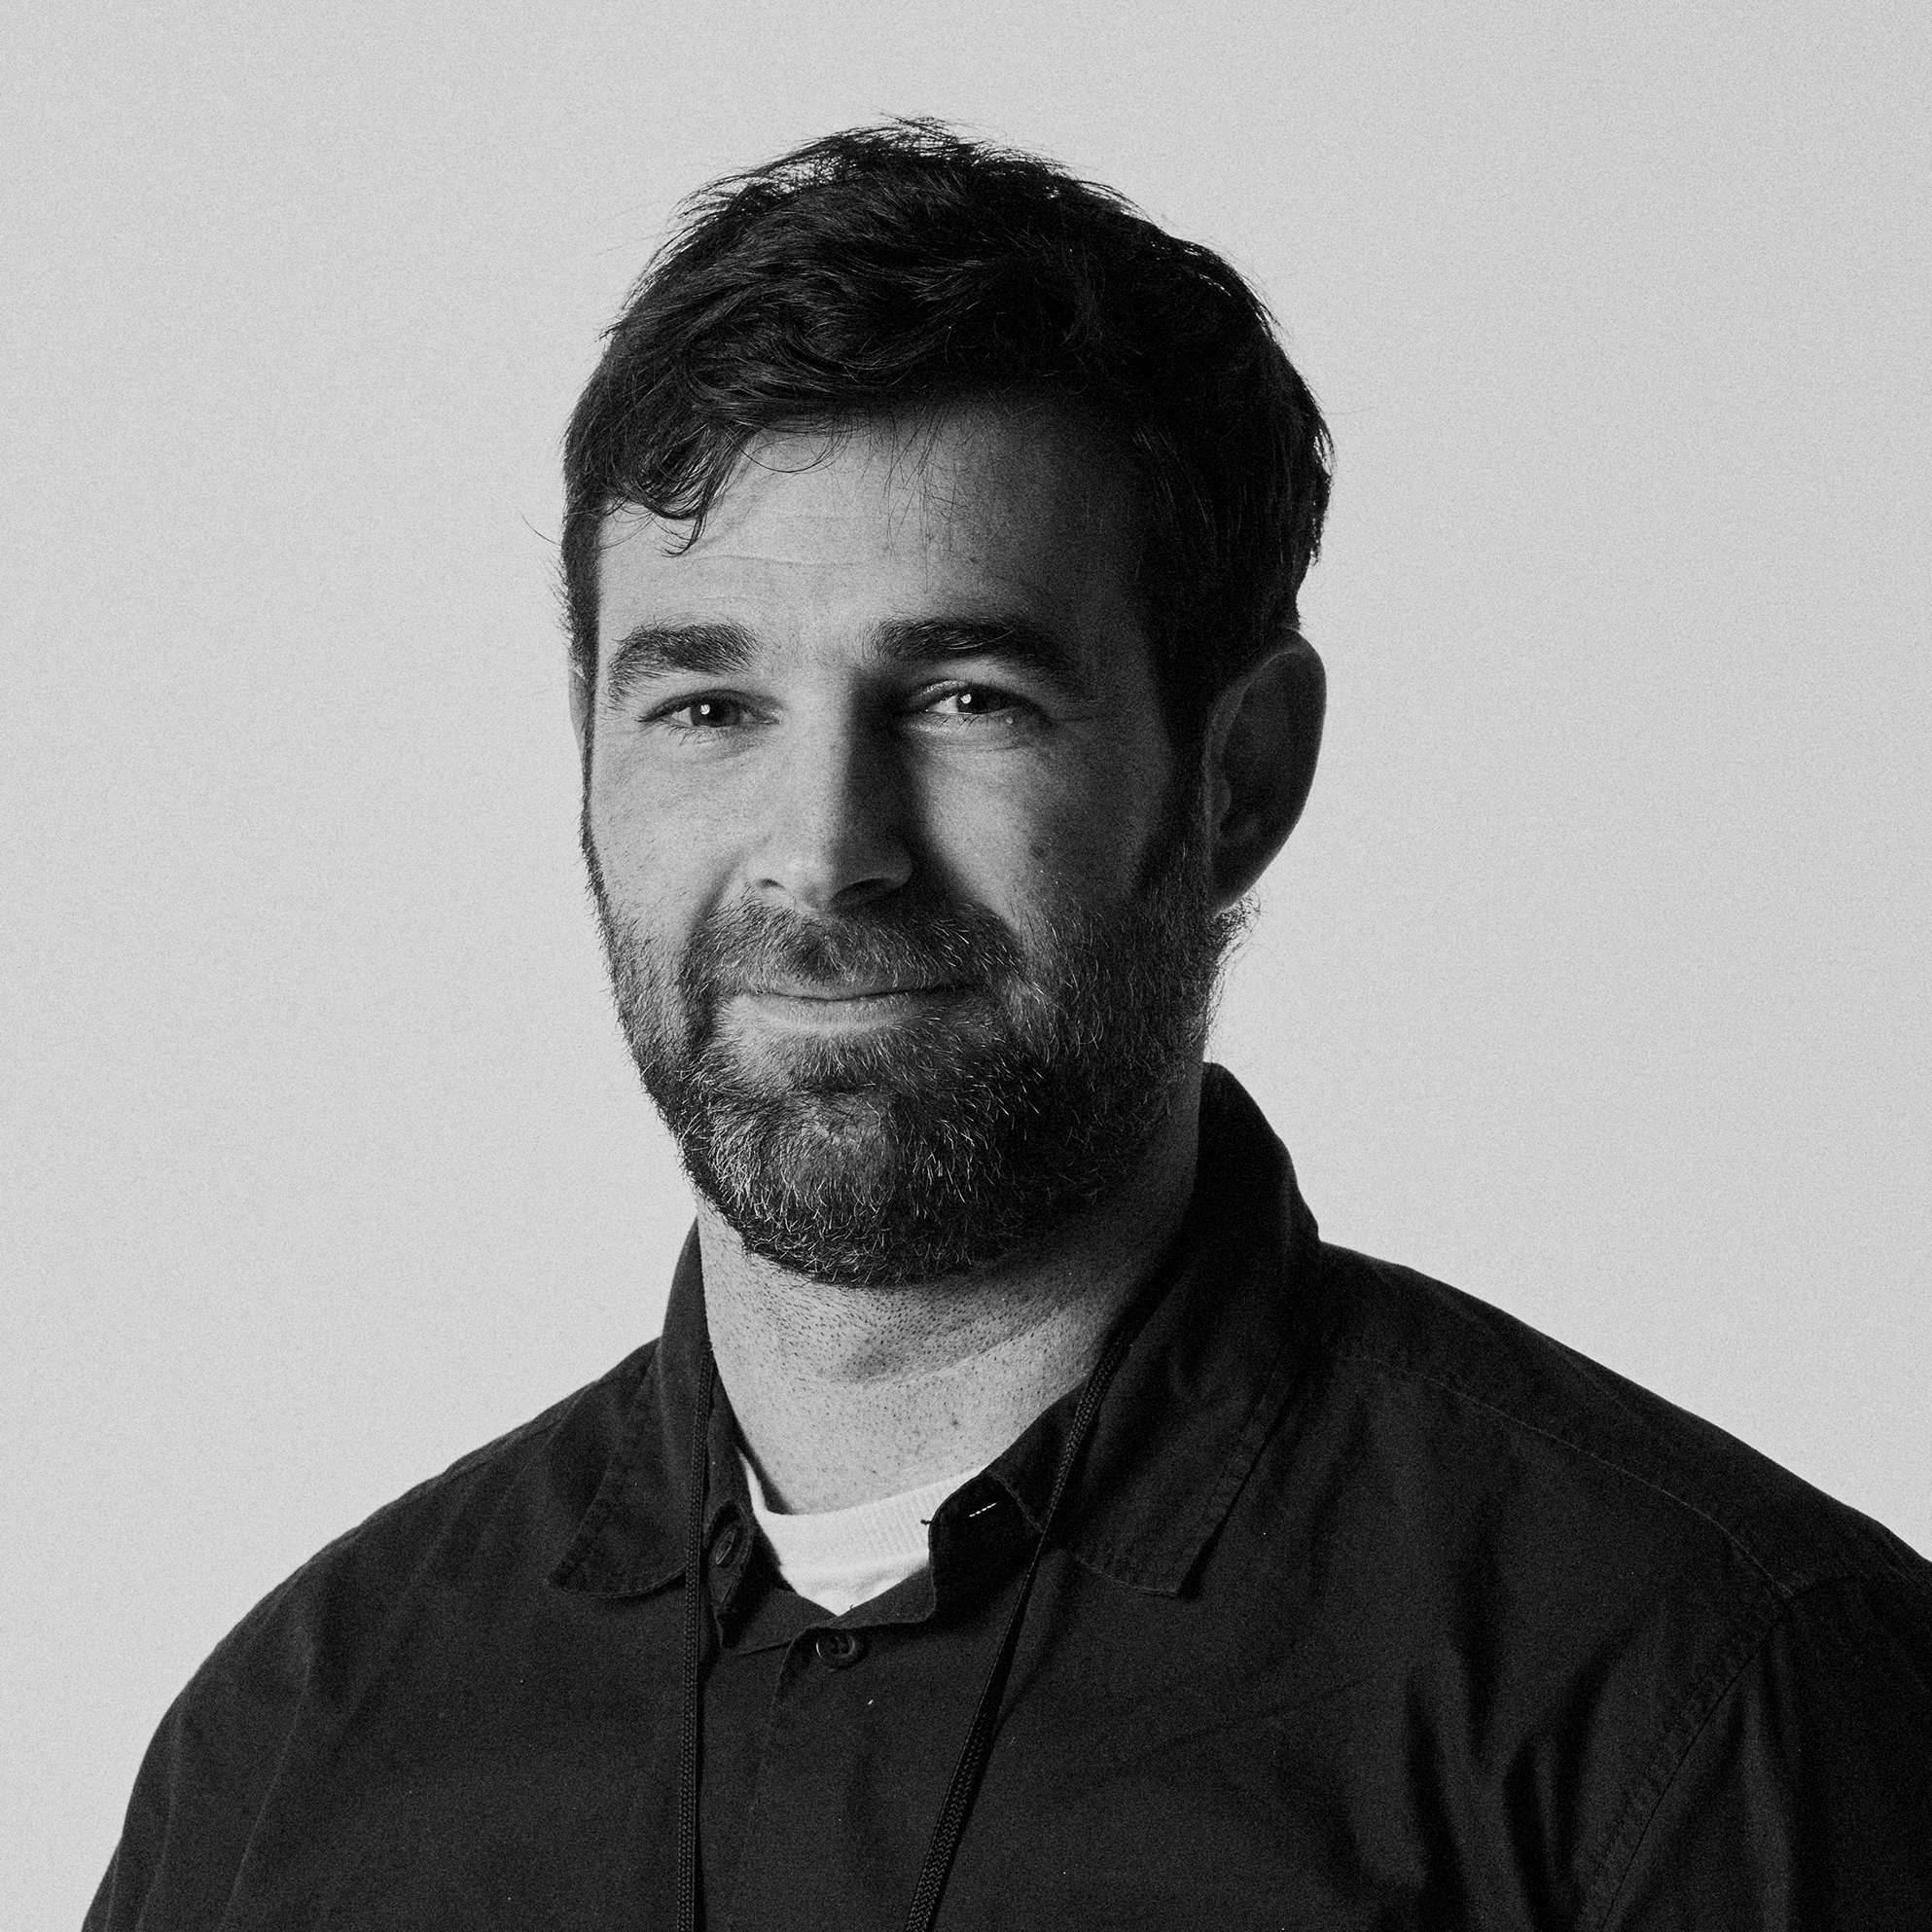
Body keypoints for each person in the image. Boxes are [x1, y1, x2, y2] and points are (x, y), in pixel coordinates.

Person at [88, 122, 1931, 1932]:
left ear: (1240, 775)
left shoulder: (1701, 1694)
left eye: (968, 695)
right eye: (709, 706)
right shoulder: (292, 1755)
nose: (824, 851)